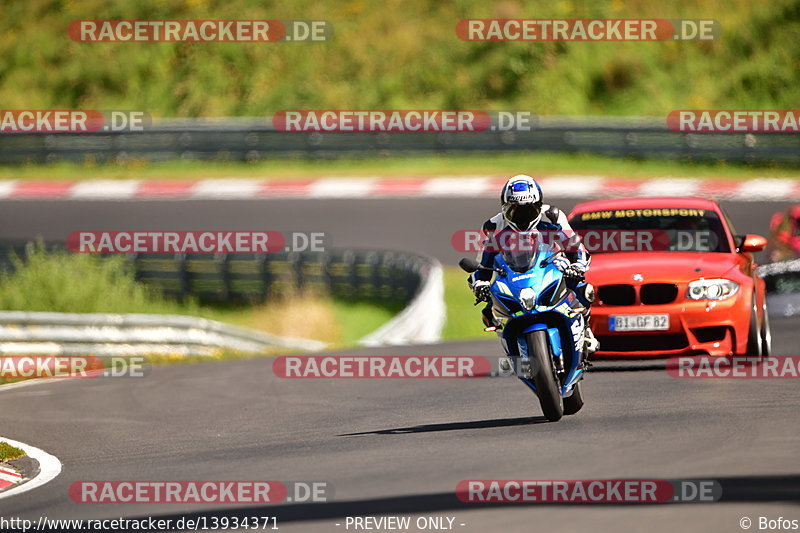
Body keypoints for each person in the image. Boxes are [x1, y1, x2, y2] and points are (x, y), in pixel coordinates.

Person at [468, 174, 599, 354]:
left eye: (528, 210)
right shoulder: (493, 225)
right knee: (490, 309)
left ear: (538, 206)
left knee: (583, 288)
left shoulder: (551, 216)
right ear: (504, 208)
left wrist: (577, 265)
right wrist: (479, 283)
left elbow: (575, 246)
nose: (522, 216)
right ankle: (512, 347)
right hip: (510, 272)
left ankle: (585, 330)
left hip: (550, 264)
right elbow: (482, 262)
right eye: (514, 211)